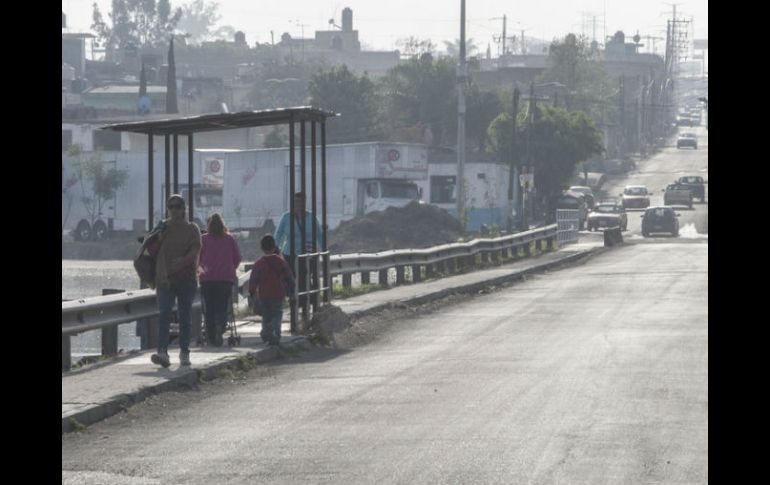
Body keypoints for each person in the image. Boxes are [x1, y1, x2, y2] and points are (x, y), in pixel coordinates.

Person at [145, 195, 201, 367]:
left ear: (184, 209)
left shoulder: (192, 228)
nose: (174, 210)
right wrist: (157, 234)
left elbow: (196, 249)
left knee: (184, 316)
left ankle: (184, 353)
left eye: (178, 206)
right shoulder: (162, 226)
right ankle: (162, 352)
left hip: (186, 279)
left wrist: (183, 262)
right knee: (164, 315)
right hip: (164, 279)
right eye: (171, 206)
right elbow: (150, 250)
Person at [273, 192, 323, 309]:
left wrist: (324, 250)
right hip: (290, 253)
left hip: (308, 253)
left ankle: (306, 301)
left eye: (299, 202)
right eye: (295, 202)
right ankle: (295, 302)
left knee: (304, 277)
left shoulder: (312, 217)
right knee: (292, 279)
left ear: (304, 202)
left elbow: (320, 235)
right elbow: (278, 234)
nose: (297, 204)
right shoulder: (286, 217)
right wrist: (276, 249)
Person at [198, 213, 241, 347]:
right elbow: (238, 257)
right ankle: (220, 327)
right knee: (222, 306)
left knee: (209, 308)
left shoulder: (203, 239)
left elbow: (196, 258)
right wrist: (230, 267)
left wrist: (199, 270)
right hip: (225, 279)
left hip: (207, 278)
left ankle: (211, 335)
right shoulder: (229, 239)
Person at [248, 235, 295, 346]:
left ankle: (266, 334)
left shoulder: (259, 263)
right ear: (274, 247)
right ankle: (275, 332)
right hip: (278, 292)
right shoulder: (280, 261)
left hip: (264, 294)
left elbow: (253, 279)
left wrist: (252, 292)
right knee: (277, 313)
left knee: (266, 315)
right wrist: (291, 290)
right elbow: (289, 276)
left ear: (262, 248)